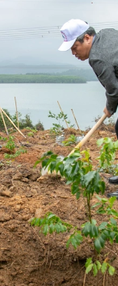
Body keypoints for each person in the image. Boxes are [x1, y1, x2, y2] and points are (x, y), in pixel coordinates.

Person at [58, 19, 118, 197]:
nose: (73, 53)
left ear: (87, 37)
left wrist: (109, 107)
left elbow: (114, 89)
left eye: (75, 47)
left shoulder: (97, 57)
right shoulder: (106, 33)